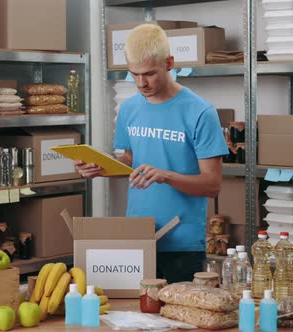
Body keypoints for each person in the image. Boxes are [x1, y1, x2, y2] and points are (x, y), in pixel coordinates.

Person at [75, 24, 228, 283]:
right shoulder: (129, 109)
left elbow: (212, 185)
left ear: (169, 63)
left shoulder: (200, 112)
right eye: (133, 74)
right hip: (137, 235)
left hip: (182, 242)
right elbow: (130, 162)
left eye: (148, 74)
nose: (140, 83)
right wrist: (102, 168)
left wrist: (165, 175)